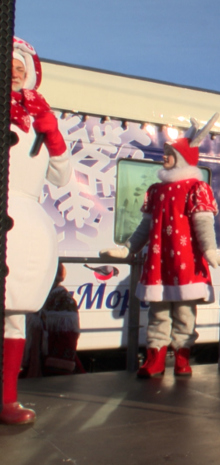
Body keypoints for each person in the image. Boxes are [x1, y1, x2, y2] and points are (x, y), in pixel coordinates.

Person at [101, 114, 220, 378]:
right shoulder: (156, 190)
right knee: (158, 313)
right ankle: (155, 359)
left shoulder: (196, 187)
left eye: (169, 154)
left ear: (182, 158)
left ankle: (182, 358)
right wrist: (128, 249)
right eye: (165, 153)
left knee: (185, 313)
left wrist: (210, 251)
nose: (164, 157)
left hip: (186, 260)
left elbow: (203, 224)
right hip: (160, 261)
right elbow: (145, 228)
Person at [3, 37, 71, 425]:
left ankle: (7, 399)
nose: (15, 70)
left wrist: (54, 137)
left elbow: (61, 177)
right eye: (9, 64)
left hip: (24, 221)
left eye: (20, 65)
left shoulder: (39, 118)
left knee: (15, 315)